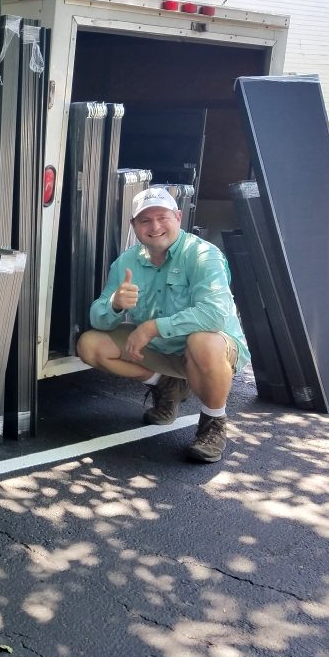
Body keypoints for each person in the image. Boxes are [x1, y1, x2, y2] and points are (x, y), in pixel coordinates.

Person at [76, 187, 250, 463]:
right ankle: (166, 385)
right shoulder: (127, 262)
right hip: (163, 350)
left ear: (178, 217)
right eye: (145, 220)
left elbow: (215, 315)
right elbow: (97, 318)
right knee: (90, 344)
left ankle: (213, 424)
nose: (154, 226)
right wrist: (115, 304)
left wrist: (151, 327)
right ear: (134, 226)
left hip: (211, 351)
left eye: (162, 217)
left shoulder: (204, 254)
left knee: (202, 341)